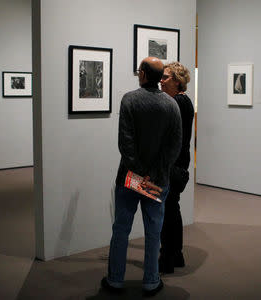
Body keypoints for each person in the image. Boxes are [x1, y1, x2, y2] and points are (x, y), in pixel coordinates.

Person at [101, 57, 182, 296]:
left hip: (130, 178)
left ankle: (115, 280)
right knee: (153, 232)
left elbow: (125, 143)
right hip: (157, 180)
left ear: (144, 75)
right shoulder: (171, 105)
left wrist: (138, 174)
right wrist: (154, 174)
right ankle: (151, 281)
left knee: (121, 229)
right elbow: (174, 147)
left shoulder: (130, 100)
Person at [159, 62, 194, 274]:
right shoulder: (181, 101)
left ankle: (168, 258)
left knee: (167, 210)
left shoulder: (178, 102)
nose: (161, 81)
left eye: (166, 77)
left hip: (174, 165)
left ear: (178, 81)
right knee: (172, 208)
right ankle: (176, 254)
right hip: (178, 163)